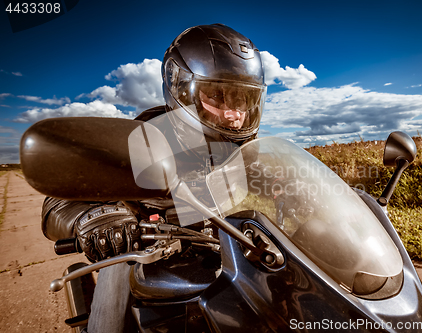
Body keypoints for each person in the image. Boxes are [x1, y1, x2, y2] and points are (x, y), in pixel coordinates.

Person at [41, 23, 266, 332]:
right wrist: (96, 217)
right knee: (119, 270)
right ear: (183, 89)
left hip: (230, 252)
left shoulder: (248, 148)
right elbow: (58, 199)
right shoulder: (142, 139)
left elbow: (281, 184)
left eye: (240, 99)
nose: (232, 114)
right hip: (146, 252)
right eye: (217, 95)